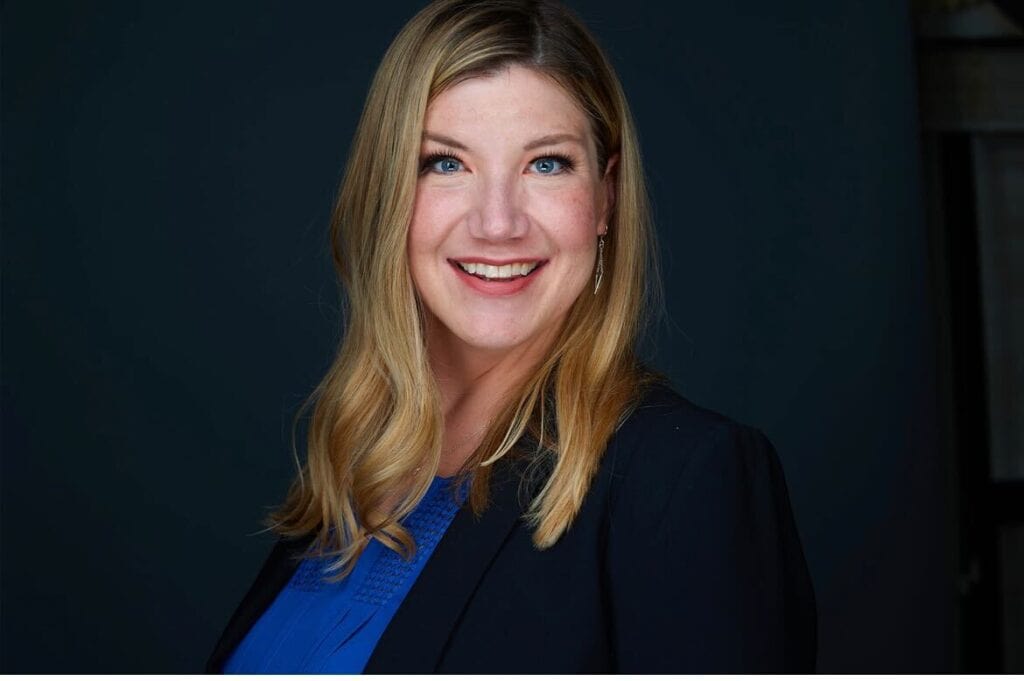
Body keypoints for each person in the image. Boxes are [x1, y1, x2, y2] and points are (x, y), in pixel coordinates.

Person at [207, 0, 817, 673]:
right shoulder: (361, 471)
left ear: (607, 196)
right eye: (445, 163)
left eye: (546, 164)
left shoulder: (685, 481)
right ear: (389, 193)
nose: (498, 223)